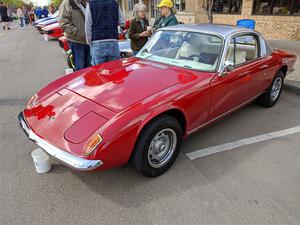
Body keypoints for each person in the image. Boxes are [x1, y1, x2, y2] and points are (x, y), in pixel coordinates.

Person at [85, 0, 125, 66]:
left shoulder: (90, 4)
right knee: (113, 70)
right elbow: (122, 22)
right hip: (113, 41)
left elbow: (88, 25)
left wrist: (89, 41)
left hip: (97, 42)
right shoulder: (115, 3)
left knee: (98, 71)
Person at [59, 0, 90, 71]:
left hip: (87, 40)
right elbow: (63, 22)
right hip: (76, 40)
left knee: (88, 67)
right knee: (80, 66)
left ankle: (87, 82)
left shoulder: (83, 3)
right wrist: (76, 32)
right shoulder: (67, 3)